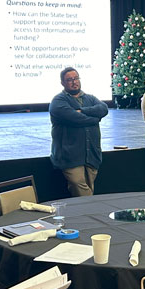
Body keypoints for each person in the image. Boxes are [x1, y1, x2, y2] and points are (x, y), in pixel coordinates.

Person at [50, 67, 109, 196]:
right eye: (69, 80)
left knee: (88, 187)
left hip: (91, 154)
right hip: (70, 155)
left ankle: (85, 214)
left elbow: (103, 109)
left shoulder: (90, 98)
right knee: (79, 185)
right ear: (63, 83)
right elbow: (74, 118)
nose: (74, 82)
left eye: (76, 78)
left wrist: (82, 111)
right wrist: (95, 118)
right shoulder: (58, 101)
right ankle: (93, 209)